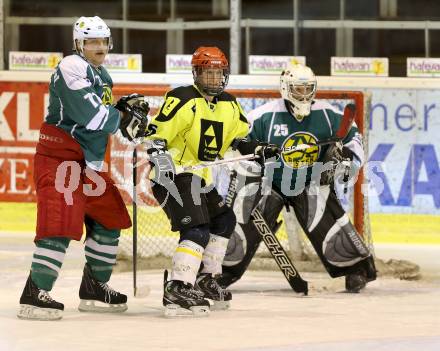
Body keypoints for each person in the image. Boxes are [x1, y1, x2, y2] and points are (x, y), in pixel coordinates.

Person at [17, 16, 149, 320]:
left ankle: (94, 286)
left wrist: (127, 117)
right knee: (60, 221)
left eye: (103, 41)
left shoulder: (102, 75)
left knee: (110, 217)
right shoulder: (71, 67)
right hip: (60, 158)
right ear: (80, 44)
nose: (99, 47)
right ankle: (35, 292)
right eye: (92, 41)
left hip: (87, 164)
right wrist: (121, 119)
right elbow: (91, 115)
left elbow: (105, 117)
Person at [144, 46, 279, 316]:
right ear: (197, 74)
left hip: (199, 177)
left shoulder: (229, 103)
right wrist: (161, 161)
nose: (214, 79)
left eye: (219, 73)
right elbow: (155, 136)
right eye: (208, 73)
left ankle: (206, 280)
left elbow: (238, 138)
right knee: (197, 229)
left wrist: (258, 149)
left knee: (224, 220)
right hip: (173, 175)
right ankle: (178, 287)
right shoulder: (181, 98)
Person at [219, 63, 377, 293]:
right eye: (298, 89)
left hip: (309, 181)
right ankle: (222, 270)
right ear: (285, 88)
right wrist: (250, 165)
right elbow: (236, 146)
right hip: (270, 181)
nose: (304, 95)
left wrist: (347, 159)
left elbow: (354, 140)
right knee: (241, 220)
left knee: (327, 217)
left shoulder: (328, 113)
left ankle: (356, 269)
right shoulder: (264, 116)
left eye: (307, 89)